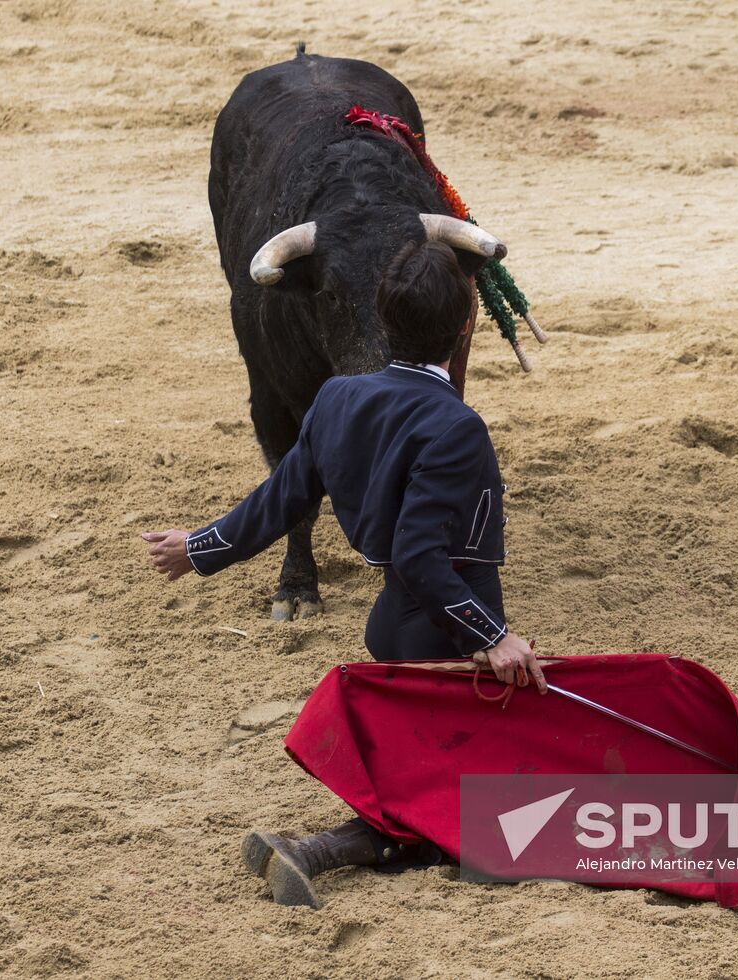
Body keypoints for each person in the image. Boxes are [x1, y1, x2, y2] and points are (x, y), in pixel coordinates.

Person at [140, 238, 546, 907]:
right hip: (444, 641)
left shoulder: (336, 398)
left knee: (452, 789)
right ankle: (319, 851)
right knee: (496, 805)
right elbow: (420, 555)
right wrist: (490, 637)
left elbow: (284, 496)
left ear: (382, 319)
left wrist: (201, 547)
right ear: (468, 322)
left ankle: (321, 850)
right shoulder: (456, 425)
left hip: (396, 626)